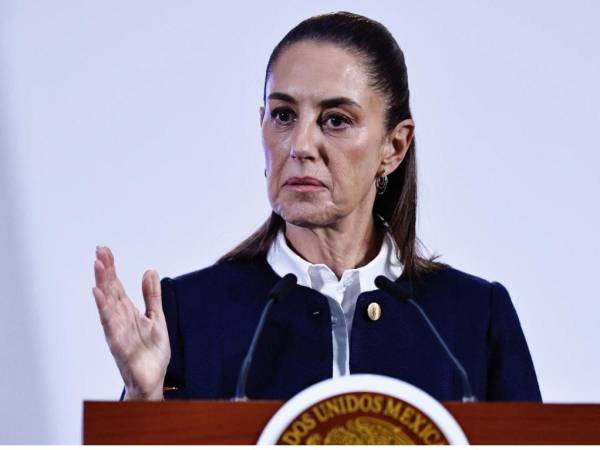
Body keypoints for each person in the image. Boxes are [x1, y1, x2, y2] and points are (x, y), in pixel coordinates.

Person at [92, 12, 541, 402]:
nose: (301, 145)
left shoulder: (472, 317)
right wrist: (143, 398)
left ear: (394, 146)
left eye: (336, 120)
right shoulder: (188, 314)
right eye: (283, 115)